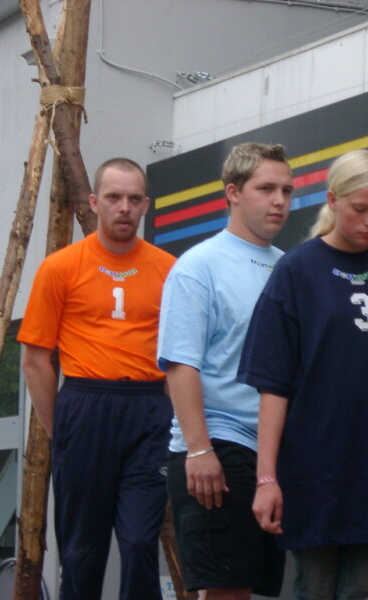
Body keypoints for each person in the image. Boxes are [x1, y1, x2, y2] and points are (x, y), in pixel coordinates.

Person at [237, 149, 368, 600]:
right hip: (314, 470)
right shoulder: (296, 270)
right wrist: (266, 479)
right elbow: (273, 387)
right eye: (360, 209)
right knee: (315, 588)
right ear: (333, 200)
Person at [18, 157, 176, 600]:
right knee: (81, 552)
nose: (124, 207)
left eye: (134, 198)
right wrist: (61, 431)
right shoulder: (60, 267)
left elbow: (181, 357)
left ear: (146, 204)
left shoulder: (169, 269)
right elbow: (35, 360)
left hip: (149, 410)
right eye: (114, 197)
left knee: (141, 542)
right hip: (84, 406)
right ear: (93, 202)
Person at [158, 142, 294, 600]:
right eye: (266, 189)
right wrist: (199, 449)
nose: (279, 201)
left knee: (253, 588)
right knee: (225, 591)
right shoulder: (198, 266)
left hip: (272, 453)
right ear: (233, 192)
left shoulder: (289, 267)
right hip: (219, 443)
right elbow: (180, 364)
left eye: (287, 191)